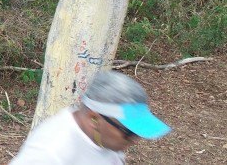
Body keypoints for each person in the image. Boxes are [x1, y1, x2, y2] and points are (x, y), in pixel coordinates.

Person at [11, 70, 170, 164]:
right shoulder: (49, 153)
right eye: (129, 132)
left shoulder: (105, 138)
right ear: (94, 119)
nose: (135, 139)